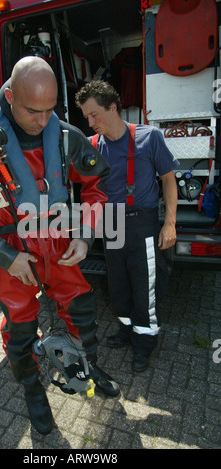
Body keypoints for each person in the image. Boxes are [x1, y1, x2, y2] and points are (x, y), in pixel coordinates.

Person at [0, 58, 120, 435]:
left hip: (59, 241)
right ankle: (32, 390)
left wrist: (84, 236)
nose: (42, 120)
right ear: (9, 96)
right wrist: (2, 255)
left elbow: (96, 188)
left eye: (50, 109)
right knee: (20, 325)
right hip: (12, 249)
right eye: (33, 110)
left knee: (81, 310)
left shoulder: (66, 136)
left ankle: (87, 365)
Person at [75, 80, 179, 373]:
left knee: (144, 286)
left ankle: (144, 342)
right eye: (86, 117)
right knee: (117, 284)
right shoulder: (92, 146)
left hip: (140, 223)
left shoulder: (150, 138)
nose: (91, 122)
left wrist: (169, 224)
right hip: (110, 224)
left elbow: (169, 180)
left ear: (113, 107)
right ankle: (126, 329)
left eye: (95, 114)